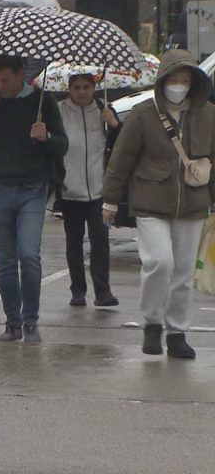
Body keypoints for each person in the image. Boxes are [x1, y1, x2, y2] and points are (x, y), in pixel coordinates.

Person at [103, 50, 215, 359]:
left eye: (185, 80)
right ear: (162, 81)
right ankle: (152, 322)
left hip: (193, 202)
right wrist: (111, 200)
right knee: (159, 262)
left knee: (183, 271)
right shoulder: (142, 114)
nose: (179, 85)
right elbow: (121, 160)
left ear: (194, 83)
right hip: (150, 200)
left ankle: (177, 331)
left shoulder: (208, 114)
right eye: (174, 80)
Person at [0, 55, 68, 344]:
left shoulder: (42, 102)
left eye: (6, 80)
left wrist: (46, 137)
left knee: (28, 254)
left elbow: (63, 145)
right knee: (6, 260)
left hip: (32, 187)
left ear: (21, 73)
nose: (1, 86)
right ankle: (12, 321)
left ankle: (30, 321)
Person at [57, 73, 120, 308]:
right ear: (69, 89)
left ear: (94, 87)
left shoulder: (104, 109)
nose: (82, 92)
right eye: (77, 87)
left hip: (98, 190)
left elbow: (120, 143)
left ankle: (103, 291)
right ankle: (78, 290)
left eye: (86, 87)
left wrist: (113, 124)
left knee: (100, 240)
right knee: (74, 242)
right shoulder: (59, 110)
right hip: (69, 190)